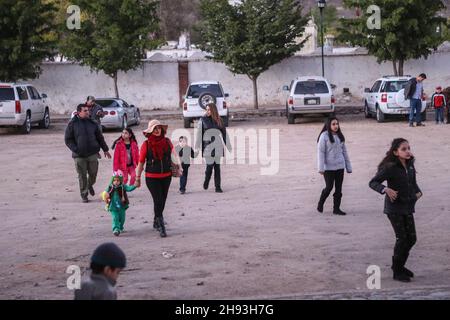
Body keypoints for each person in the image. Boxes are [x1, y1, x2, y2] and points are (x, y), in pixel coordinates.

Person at [369, 138, 422, 282]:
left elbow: (413, 183)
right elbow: (373, 182)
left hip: (408, 207)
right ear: (395, 152)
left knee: (412, 238)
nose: (407, 151)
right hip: (394, 208)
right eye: (403, 149)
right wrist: (385, 189)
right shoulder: (390, 167)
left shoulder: (410, 165)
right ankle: (397, 271)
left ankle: (399, 266)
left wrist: (418, 192)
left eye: (408, 148)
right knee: (402, 238)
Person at [135, 120, 181, 237]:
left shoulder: (167, 142)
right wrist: (137, 177)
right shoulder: (146, 144)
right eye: (154, 129)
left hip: (166, 176)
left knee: (163, 200)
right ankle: (161, 225)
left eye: (159, 128)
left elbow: (174, 155)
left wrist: (179, 167)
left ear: (162, 130)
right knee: (158, 200)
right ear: (150, 131)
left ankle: (156, 220)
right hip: (151, 177)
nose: (157, 130)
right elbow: (141, 163)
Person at [65, 104, 112, 203]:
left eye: (88, 110)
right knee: (82, 176)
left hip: (92, 154)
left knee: (93, 174)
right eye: (85, 111)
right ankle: (84, 195)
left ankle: (89, 185)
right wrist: (76, 149)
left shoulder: (93, 123)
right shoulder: (72, 124)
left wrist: (105, 149)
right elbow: (68, 139)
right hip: (79, 155)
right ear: (78, 112)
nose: (88, 112)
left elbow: (100, 137)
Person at [317, 116, 352, 215]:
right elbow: (320, 152)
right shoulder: (324, 136)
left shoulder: (340, 136)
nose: (336, 126)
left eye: (337, 124)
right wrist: (321, 168)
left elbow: (344, 152)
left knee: (339, 189)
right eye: (333, 124)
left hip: (340, 167)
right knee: (329, 187)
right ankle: (321, 203)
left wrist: (348, 167)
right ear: (328, 125)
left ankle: (336, 209)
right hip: (328, 168)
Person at [195, 103, 231, 193]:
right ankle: (206, 180)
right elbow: (199, 134)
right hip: (207, 147)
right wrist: (197, 146)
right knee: (209, 167)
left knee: (217, 167)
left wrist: (228, 145)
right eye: (206, 109)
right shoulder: (202, 120)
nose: (207, 111)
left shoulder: (220, 120)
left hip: (218, 146)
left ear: (213, 110)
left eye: (209, 109)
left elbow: (224, 134)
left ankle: (218, 187)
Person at [103, 171, 137, 236]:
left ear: (121, 181)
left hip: (122, 206)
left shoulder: (123, 187)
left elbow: (129, 188)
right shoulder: (110, 187)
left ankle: (120, 227)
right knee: (115, 217)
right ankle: (116, 229)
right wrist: (105, 196)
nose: (116, 182)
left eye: (118, 180)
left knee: (122, 218)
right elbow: (105, 193)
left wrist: (135, 186)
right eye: (114, 180)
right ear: (112, 181)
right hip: (113, 206)